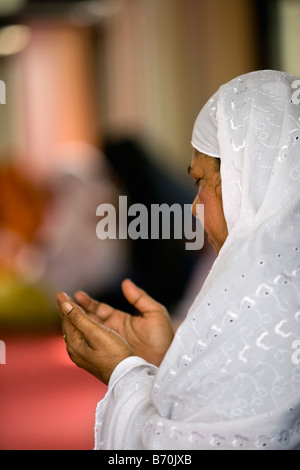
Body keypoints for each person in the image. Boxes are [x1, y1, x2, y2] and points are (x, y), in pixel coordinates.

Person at [56, 70, 300, 450]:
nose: (194, 207)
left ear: (251, 186)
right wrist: (168, 357)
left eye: (203, 181)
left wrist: (125, 373)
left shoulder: (273, 301)